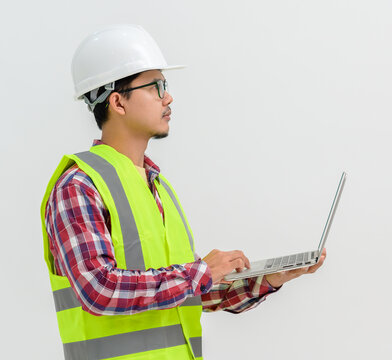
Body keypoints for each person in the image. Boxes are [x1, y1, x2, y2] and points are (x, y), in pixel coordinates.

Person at [40, 24, 326, 360]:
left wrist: (269, 278)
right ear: (118, 102)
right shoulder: (79, 186)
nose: (168, 96)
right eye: (155, 86)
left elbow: (184, 294)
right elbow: (99, 290)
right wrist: (201, 272)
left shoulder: (155, 185)